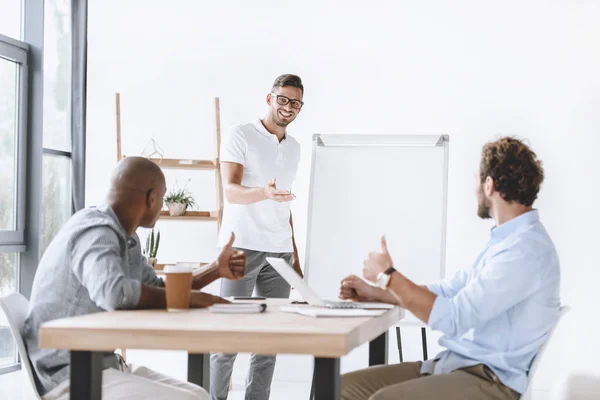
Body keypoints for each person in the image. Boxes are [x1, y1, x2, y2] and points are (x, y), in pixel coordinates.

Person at [339, 137, 560, 400]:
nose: (476, 189)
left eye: (478, 180)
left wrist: (389, 277)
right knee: (337, 388)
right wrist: (377, 292)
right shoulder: (504, 242)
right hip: (452, 365)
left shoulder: (524, 251)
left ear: (489, 185)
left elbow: (455, 318)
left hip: (489, 380)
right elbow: (447, 291)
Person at [23, 157, 247, 400]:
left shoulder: (125, 237)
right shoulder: (96, 231)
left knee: (198, 393)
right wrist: (189, 299)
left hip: (103, 363)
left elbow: (157, 289)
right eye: (162, 198)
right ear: (151, 198)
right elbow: (115, 294)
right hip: (69, 374)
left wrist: (215, 269)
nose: (162, 206)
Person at [210, 74, 305, 400]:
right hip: (241, 248)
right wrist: (263, 192)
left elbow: (285, 207)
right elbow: (231, 192)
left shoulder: (295, 148)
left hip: (279, 253)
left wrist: (296, 259)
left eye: (295, 102)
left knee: (268, 342)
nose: (288, 107)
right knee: (228, 337)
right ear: (269, 98)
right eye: (283, 99)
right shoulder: (241, 135)